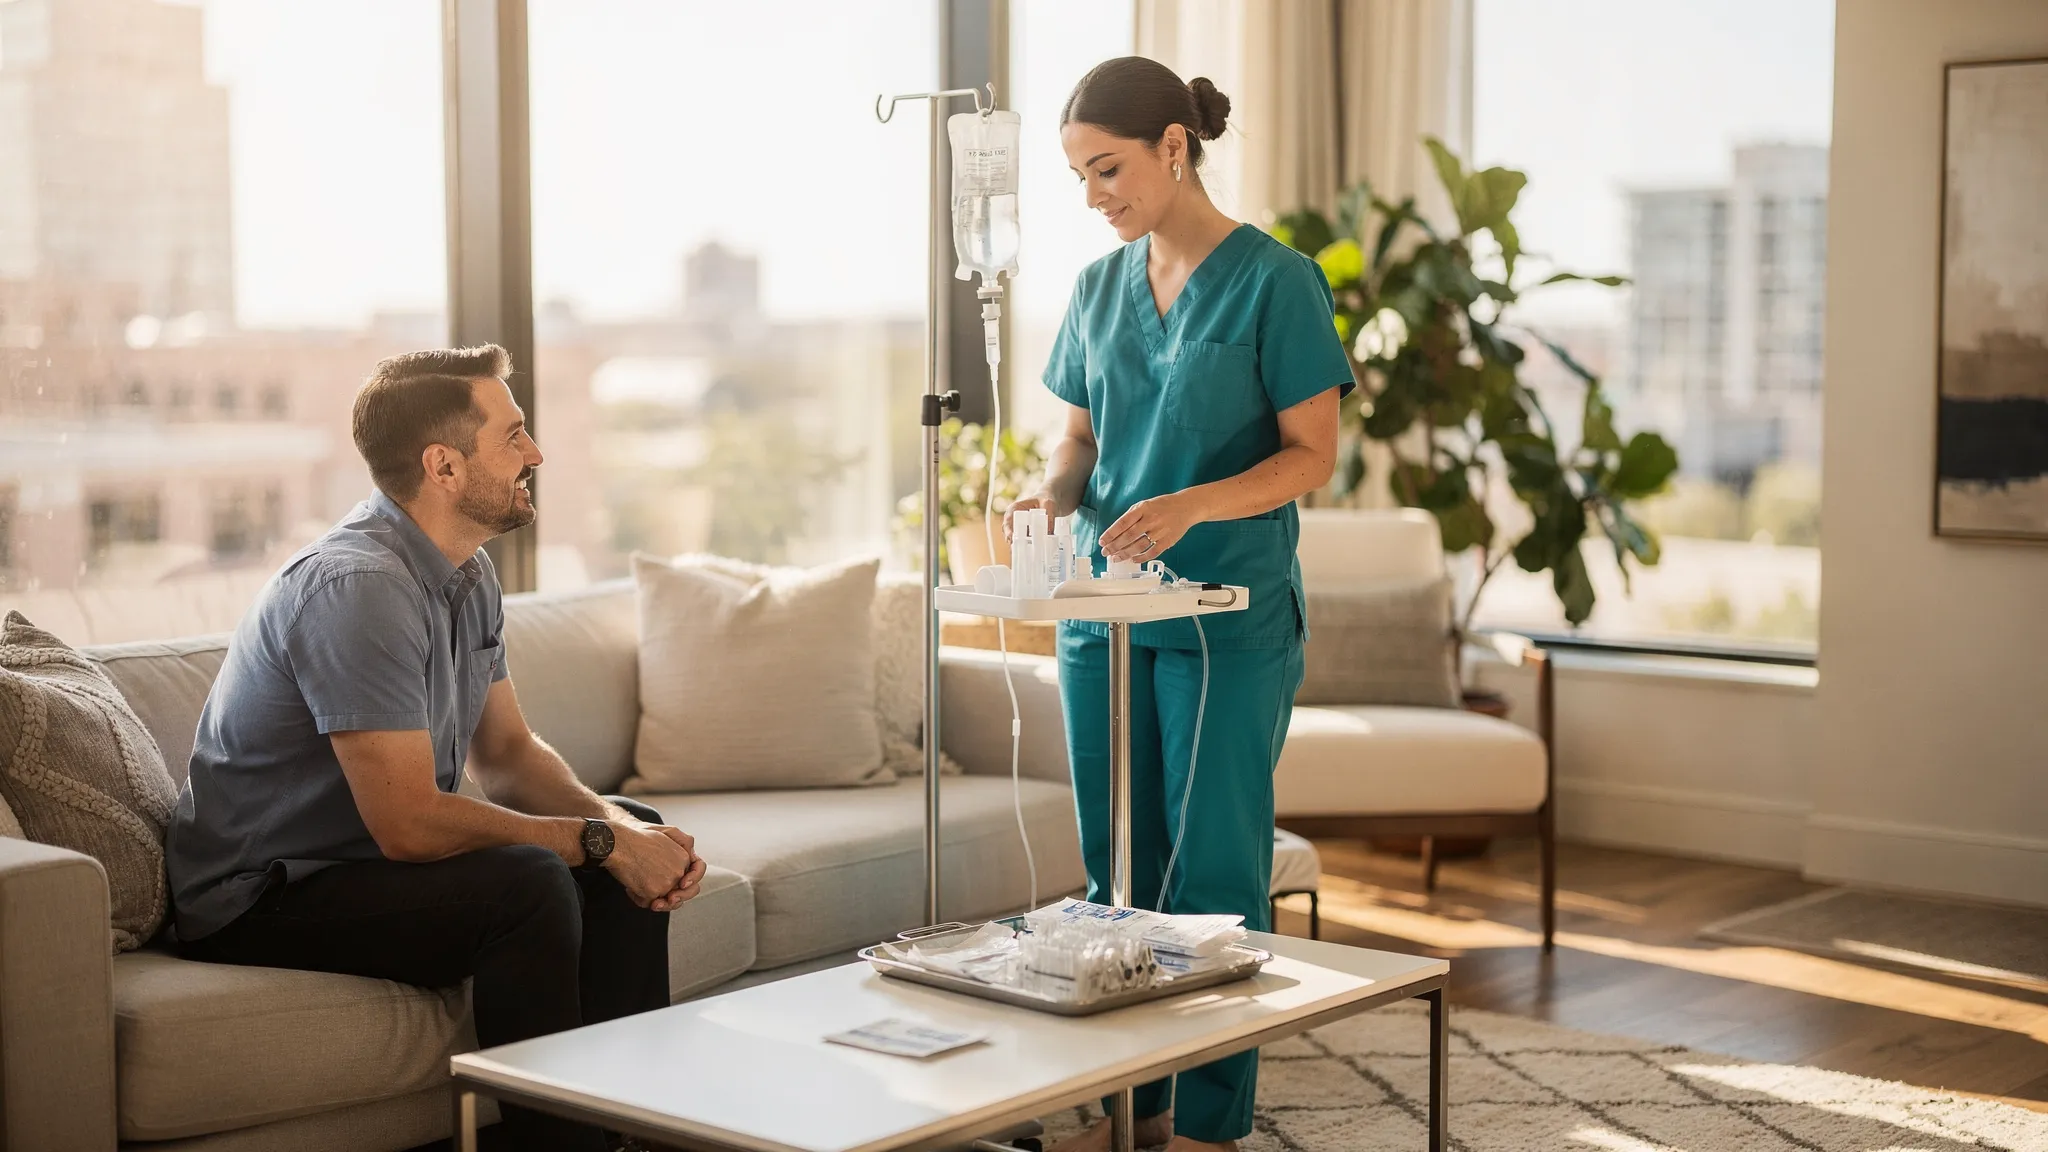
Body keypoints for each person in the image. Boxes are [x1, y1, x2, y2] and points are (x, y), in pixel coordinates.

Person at [166, 345, 706, 1152]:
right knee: (529, 881)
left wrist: (615, 830)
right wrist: (596, 842)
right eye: (514, 435)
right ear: (444, 466)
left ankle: (632, 1131)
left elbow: (510, 754)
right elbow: (409, 825)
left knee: (627, 824)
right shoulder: (358, 588)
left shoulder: (467, 573)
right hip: (258, 897)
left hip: (358, 867)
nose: (537, 454)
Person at [1006, 58, 1353, 1152]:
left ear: (1171, 146)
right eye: (1077, 175)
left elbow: (1311, 458)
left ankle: (1207, 1127)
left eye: (1105, 168)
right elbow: (1079, 442)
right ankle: (1132, 1108)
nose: (1093, 194)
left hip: (1226, 619)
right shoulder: (1099, 286)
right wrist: (1047, 495)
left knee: (1209, 872)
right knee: (1117, 870)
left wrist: (1189, 506)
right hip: (1103, 618)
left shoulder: (1275, 281)